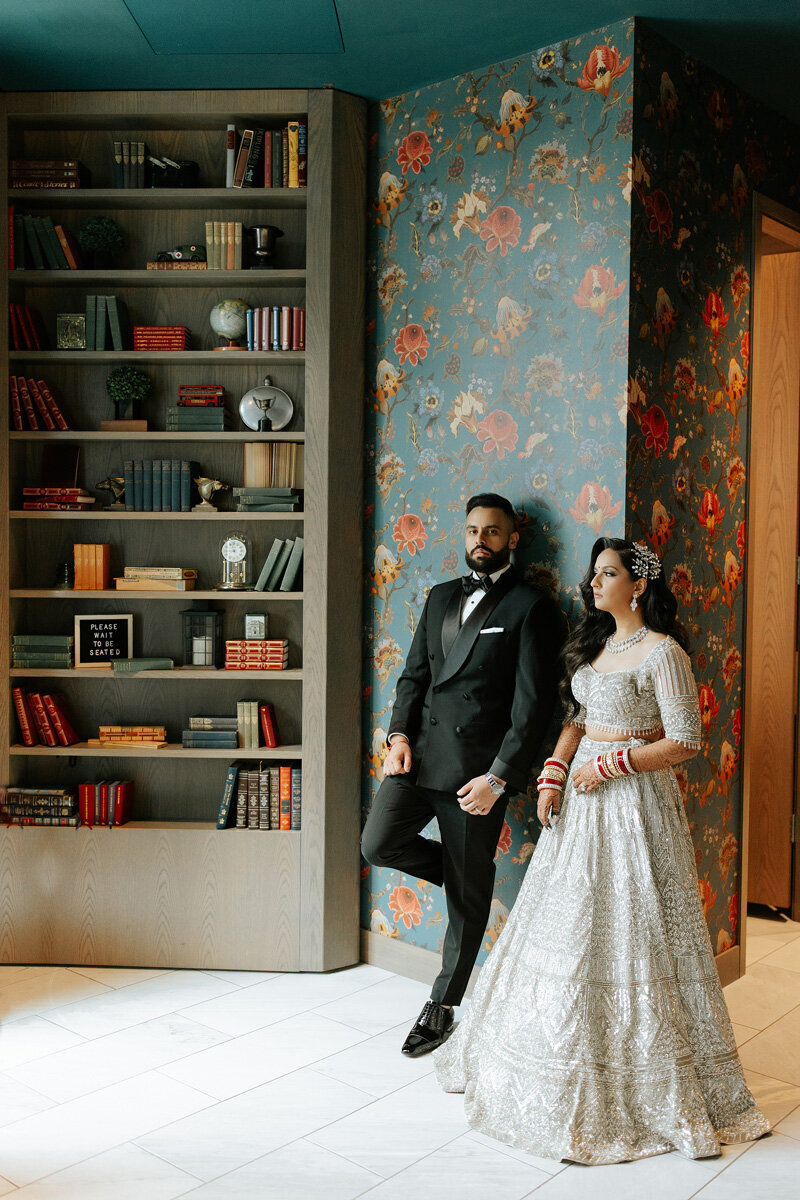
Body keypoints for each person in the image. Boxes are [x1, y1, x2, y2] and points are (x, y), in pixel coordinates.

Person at [434, 536, 770, 1163]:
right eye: (595, 574)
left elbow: (686, 741)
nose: (593, 583)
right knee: (567, 927)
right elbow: (578, 715)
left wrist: (613, 763)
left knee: (629, 931)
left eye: (607, 574)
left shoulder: (663, 653)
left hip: (634, 811)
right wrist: (555, 771)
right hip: (580, 803)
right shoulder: (596, 646)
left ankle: (638, 1083)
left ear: (637, 585)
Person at [362, 493, 560, 1056]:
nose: (480, 540)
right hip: (418, 758)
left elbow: (532, 708)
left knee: (466, 901)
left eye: (492, 532)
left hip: (476, 776)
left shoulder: (529, 607)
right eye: (473, 529)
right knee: (378, 844)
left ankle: (443, 1005)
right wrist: (398, 736)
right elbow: (412, 678)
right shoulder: (440, 596)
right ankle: (466, 880)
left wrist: (499, 777)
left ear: (512, 538)